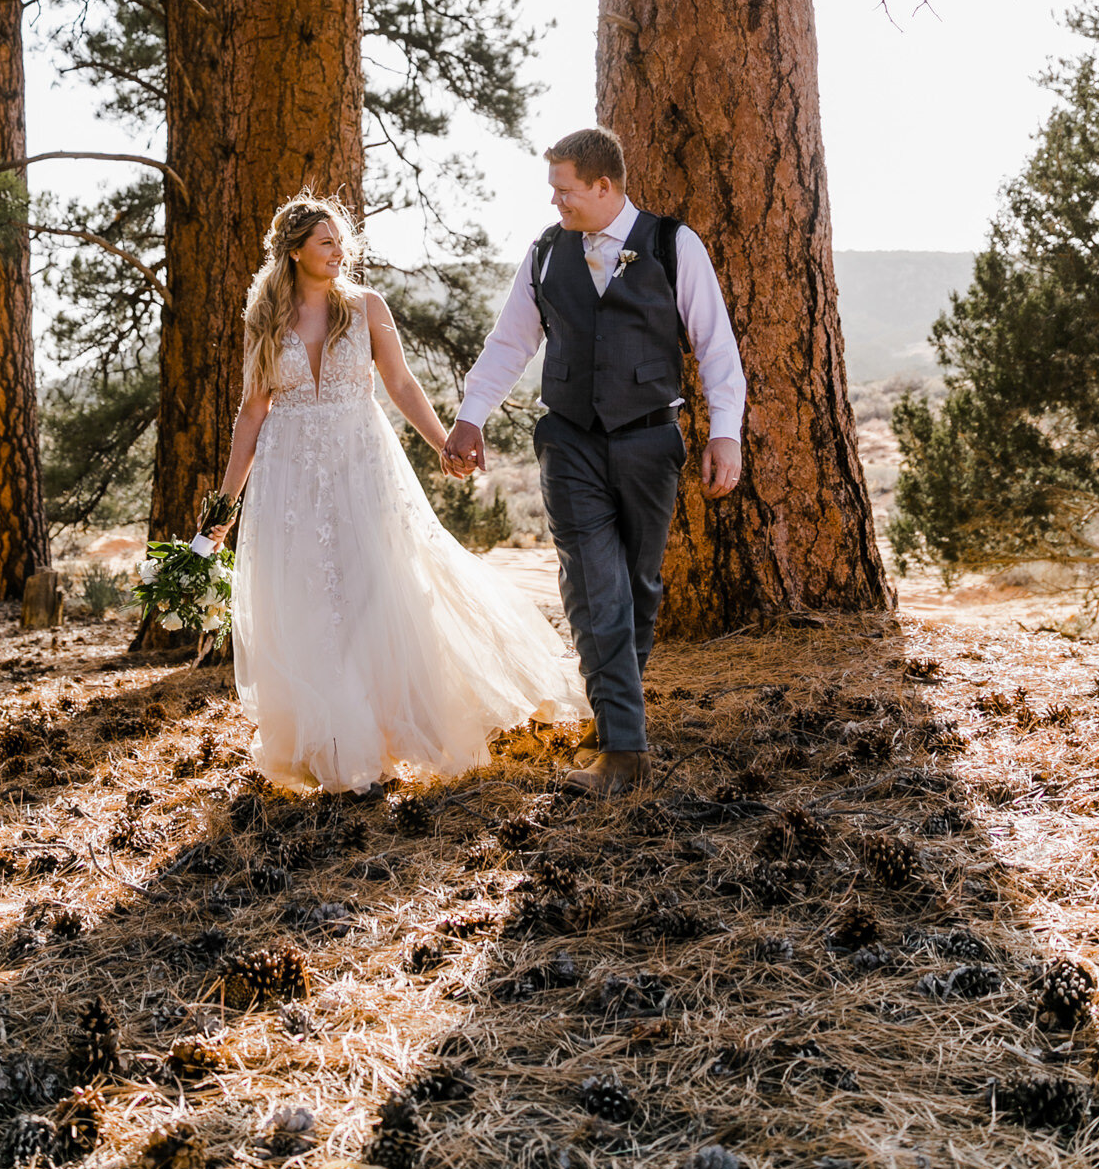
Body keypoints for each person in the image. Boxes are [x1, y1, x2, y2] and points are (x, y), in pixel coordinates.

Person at [210, 193, 585, 793]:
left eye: (342, 242)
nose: (340, 252)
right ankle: (334, 745)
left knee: (377, 586)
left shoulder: (366, 307)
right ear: (296, 250)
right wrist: (223, 508)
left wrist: (445, 443)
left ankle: (396, 728)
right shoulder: (265, 316)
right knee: (308, 597)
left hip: (361, 464)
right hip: (289, 476)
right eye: (326, 242)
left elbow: (401, 384)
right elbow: (253, 412)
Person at [443, 125, 746, 798]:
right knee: (592, 590)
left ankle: (616, 725)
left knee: (636, 592)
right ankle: (622, 752)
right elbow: (509, 342)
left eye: (564, 191)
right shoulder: (546, 253)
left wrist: (724, 431)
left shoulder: (673, 244)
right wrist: (470, 416)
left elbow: (715, 345)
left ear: (604, 186)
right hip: (570, 440)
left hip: (648, 443)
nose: (556, 204)